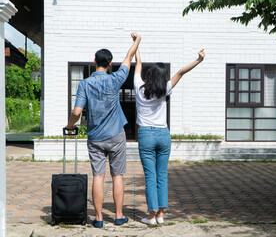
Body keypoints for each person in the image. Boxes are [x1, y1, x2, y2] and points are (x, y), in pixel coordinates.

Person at [65, 33, 141, 228]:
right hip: (116, 134)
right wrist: (136, 41)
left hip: (95, 137)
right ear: (110, 63)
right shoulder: (115, 78)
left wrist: (70, 125)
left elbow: (77, 111)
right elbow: (128, 58)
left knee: (98, 175)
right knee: (117, 175)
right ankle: (118, 216)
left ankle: (98, 218)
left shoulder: (84, 84)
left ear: (94, 62)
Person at [133, 46, 205, 225]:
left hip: (145, 135)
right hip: (163, 135)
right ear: (163, 77)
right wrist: (199, 60)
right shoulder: (165, 88)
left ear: (149, 75)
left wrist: (137, 44)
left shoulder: (139, 87)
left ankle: (150, 216)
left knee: (150, 176)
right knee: (162, 175)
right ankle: (161, 216)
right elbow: (181, 72)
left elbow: (138, 63)